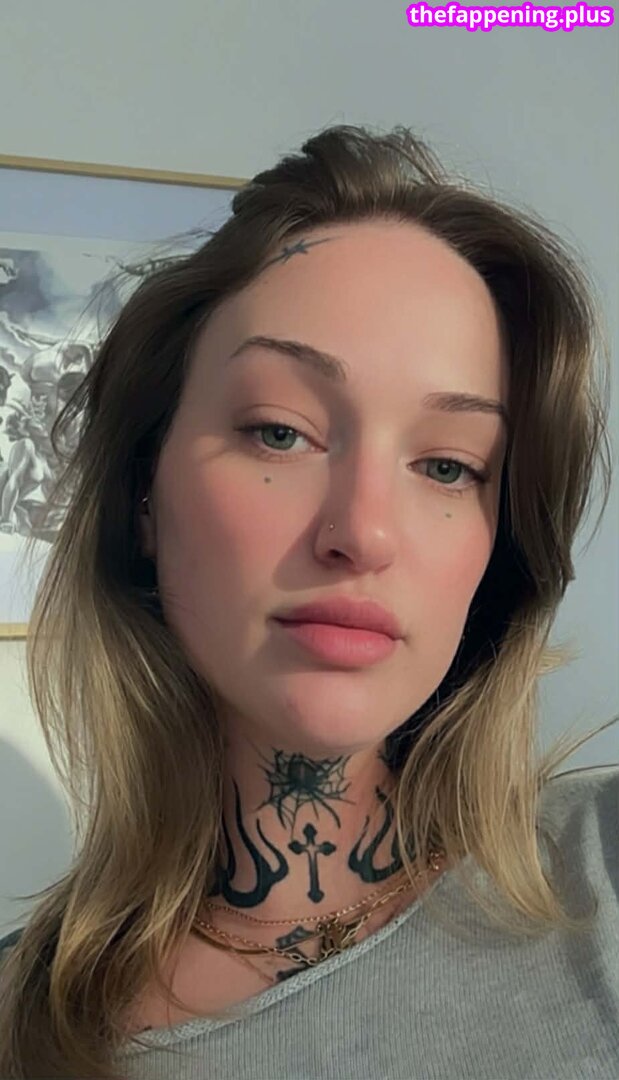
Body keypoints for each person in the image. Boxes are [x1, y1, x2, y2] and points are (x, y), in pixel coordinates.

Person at [0, 123, 617, 1080]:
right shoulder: (26, 1025)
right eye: (279, 432)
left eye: (447, 465)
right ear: (143, 496)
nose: (362, 533)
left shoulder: (602, 865)